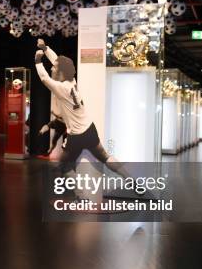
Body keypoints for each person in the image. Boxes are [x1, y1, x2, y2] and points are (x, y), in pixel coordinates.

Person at [33, 38, 137, 195]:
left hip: (76, 136)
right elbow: (57, 61)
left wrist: (38, 60)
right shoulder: (71, 80)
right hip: (90, 128)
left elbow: (43, 78)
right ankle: (131, 180)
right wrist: (46, 48)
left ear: (61, 72)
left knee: (64, 166)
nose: (53, 69)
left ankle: (81, 195)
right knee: (105, 157)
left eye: (55, 69)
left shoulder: (60, 88)